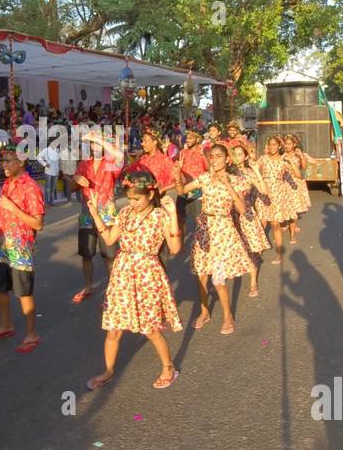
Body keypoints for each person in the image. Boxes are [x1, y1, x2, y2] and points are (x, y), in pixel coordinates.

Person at [90, 170, 182, 391]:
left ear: (151, 194)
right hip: (122, 274)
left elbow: (175, 248)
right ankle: (109, 371)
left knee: (150, 329)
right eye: (129, 198)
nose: (132, 202)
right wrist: (95, 213)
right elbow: (111, 239)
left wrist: (173, 215)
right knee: (113, 328)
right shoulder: (124, 213)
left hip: (148, 274)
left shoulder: (161, 216)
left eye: (136, 198)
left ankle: (169, 368)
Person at [187, 141, 262, 334]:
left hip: (223, 230)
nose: (214, 160)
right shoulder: (205, 178)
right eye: (211, 157)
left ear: (227, 159)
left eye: (219, 156)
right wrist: (178, 176)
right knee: (201, 276)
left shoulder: (235, 180)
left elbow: (242, 209)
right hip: (204, 230)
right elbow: (182, 191)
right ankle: (204, 312)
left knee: (218, 280)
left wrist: (228, 185)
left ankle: (228, 316)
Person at [0, 143, 45, 353]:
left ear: (21, 161)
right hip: (1, 244)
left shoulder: (31, 187)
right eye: (2, 160)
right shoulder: (8, 183)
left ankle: (31, 333)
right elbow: (2, 214)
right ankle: (6, 325)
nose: (3, 165)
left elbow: (38, 224)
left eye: (8, 161)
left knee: (23, 291)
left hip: (20, 246)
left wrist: (13, 208)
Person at [68, 140, 118, 306]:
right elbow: (72, 187)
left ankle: (113, 291)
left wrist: (99, 137)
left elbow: (119, 156)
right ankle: (88, 286)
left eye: (97, 145)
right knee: (87, 253)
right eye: (92, 145)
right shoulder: (84, 165)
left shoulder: (111, 163)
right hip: (87, 214)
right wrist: (76, 178)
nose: (94, 147)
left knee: (109, 255)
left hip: (107, 216)